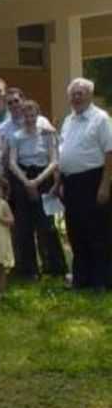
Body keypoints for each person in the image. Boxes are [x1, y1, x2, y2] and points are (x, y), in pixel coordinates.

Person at [59, 77, 112, 290]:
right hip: (71, 184)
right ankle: (81, 279)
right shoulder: (68, 120)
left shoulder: (101, 119)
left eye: (81, 93)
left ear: (90, 95)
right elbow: (64, 153)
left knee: (98, 233)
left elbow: (110, 152)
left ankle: (102, 280)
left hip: (94, 181)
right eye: (73, 93)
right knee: (76, 232)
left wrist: (105, 185)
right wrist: (60, 182)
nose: (76, 97)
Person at [8, 100, 65, 279]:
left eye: (33, 115)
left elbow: (54, 159)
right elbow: (11, 162)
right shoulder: (16, 136)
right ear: (22, 117)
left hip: (43, 177)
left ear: (37, 115)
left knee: (46, 224)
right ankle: (28, 269)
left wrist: (38, 181)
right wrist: (26, 182)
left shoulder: (47, 134)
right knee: (24, 226)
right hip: (22, 177)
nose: (30, 118)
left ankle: (54, 266)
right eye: (26, 115)